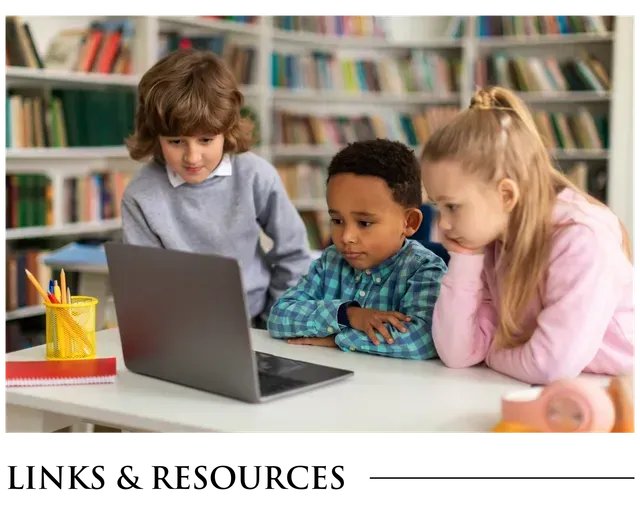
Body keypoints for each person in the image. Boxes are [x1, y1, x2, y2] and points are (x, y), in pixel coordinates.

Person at [420, 85, 634, 385]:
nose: (442, 224)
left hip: (618, 388)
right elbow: (458, 354)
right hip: (557, 386)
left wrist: (492, 354)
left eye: (452, 206)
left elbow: (550, 366)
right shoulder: (491, 238)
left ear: (506, 194)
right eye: (437, 206)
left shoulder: (582, 239)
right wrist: (465, 260)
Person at [121, 49, 312, 327]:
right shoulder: (140, 195)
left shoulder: (255, 175)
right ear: (156, 136)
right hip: (179, 328)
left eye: (206, 140)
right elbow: (145, 283)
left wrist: (276, 320)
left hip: (257, 320)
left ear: (227, 130)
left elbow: (294, 254)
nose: (192, 157)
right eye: (176, 142)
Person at [267, 139, 447, 360]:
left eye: (364, 223)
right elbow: (279, 316)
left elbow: (423, 340)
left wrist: (337, 339)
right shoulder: (330, 261)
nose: (346, 237)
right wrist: (347, 315)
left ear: (409, 222)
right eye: (337, 220)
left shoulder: (424, 268)